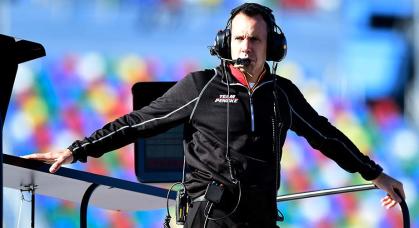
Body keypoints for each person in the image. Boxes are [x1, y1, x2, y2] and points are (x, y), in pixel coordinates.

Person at [23, 3, 405, 227]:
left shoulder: (283, 95)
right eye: (239, 38)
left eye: (255, 39)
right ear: (225, 42)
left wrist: (375, 173)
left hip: (260, 220)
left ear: (271, 46)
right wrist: (74, 150)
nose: (246, 46)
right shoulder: (199, 87)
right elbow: (136, 123)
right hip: (208, 220)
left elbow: (326, 136)